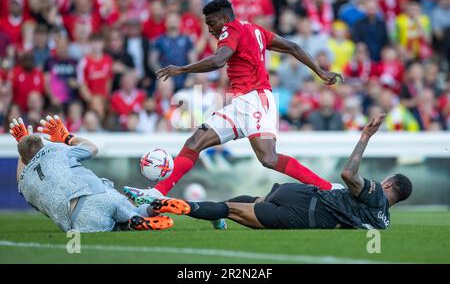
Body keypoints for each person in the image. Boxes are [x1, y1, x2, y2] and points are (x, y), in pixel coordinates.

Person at [124, 0, 343, 203]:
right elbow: (293, 47)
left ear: (225, 19)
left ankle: (329, 189)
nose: (210, 29)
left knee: (268, 158)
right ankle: (156, 193)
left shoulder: (231, 29)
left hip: (256, 99)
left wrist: (181, 69)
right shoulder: (255, 29)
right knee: (194, 142)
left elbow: (219, 61)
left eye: (211, 23)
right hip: (240, 103)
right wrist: (320, 72)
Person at [147, 114, 413, 230]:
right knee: (232, 208)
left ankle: (195, 209)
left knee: (241, 204)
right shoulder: (383, 222)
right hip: (305, 213)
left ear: (388, 185)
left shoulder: (377, 192)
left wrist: (365, 136)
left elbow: (348, 174)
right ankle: (181, 206)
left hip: (301, 198)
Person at [8, 115, 173, 232]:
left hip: (79, 218)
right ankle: (153, 206)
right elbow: (93, 148)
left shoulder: (27, 185)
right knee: (131, 210)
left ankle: (130, 224)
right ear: (43, 145)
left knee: (116, 228)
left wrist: (21, 146)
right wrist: (67, 137)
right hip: (101, 195)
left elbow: (21, 179)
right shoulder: (56, 151)